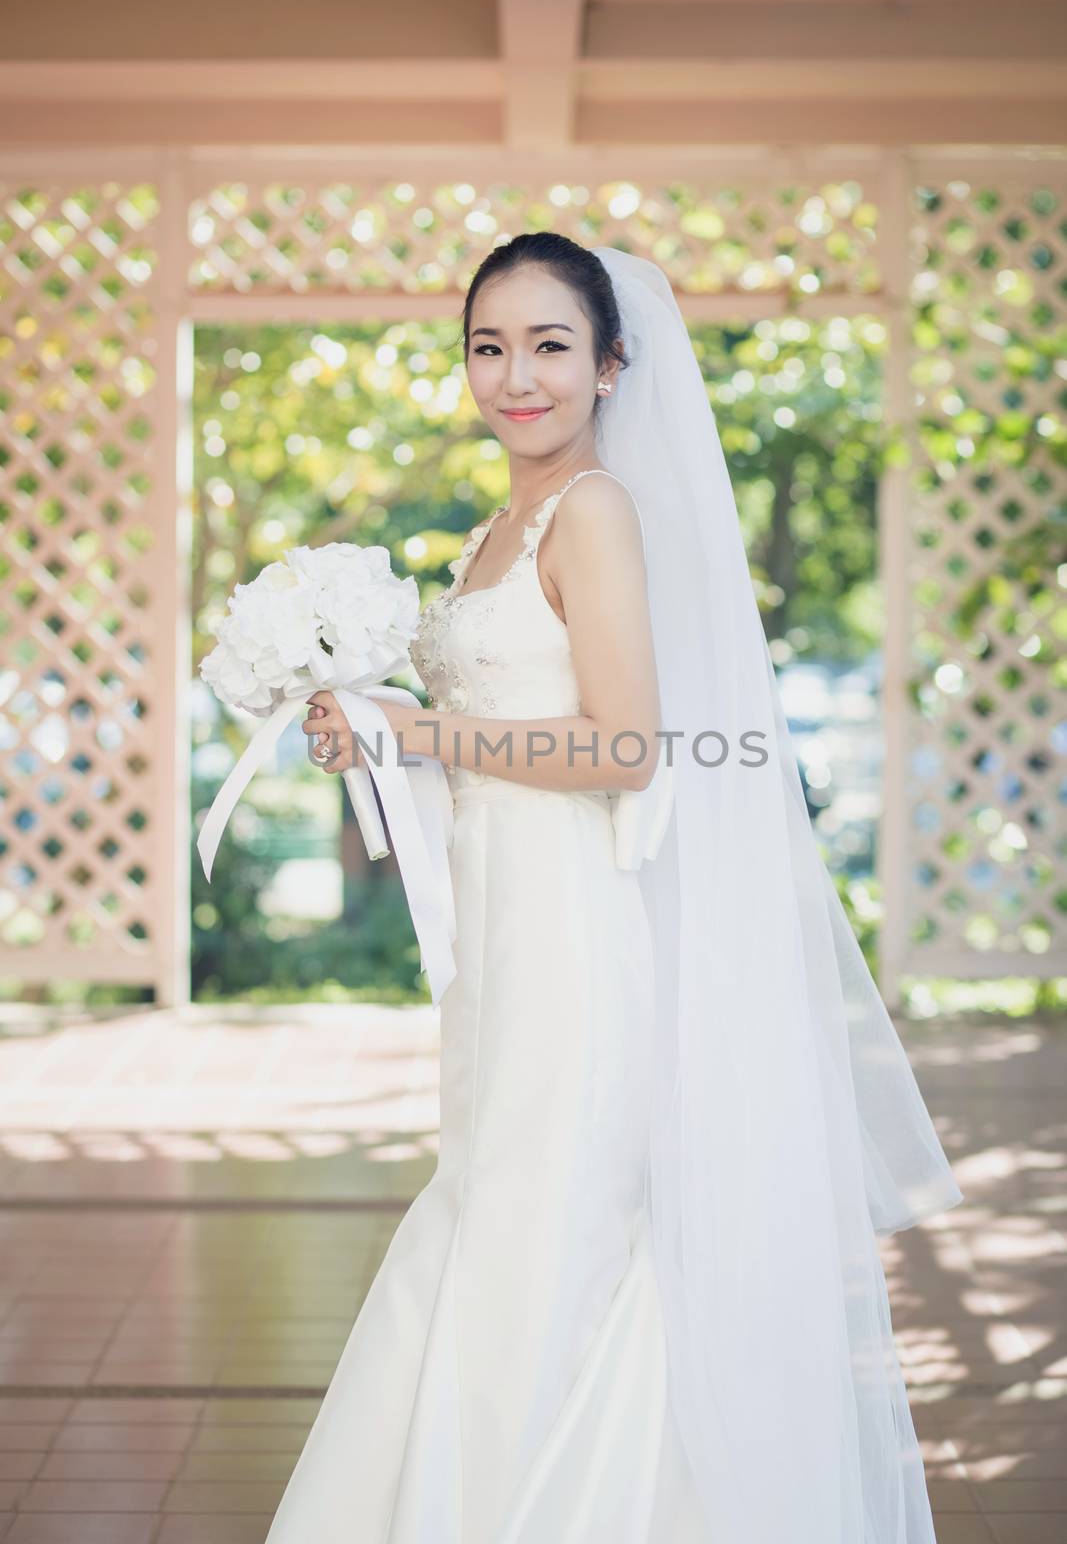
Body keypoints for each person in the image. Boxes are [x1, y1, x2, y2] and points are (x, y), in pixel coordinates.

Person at [273, 234, 963, 1543]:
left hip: (576, 937)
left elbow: (624, 747)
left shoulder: (593, 509)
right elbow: (497, 727)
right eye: (489, 346)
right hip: (504, 939)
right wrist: (372, 729)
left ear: (610, 364)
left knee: (553, 1237)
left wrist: (420, 736)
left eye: (548, 345)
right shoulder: (499, 527)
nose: (515, 375)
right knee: (504, 1215)